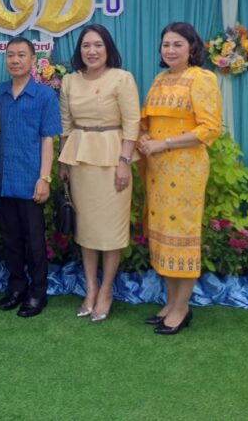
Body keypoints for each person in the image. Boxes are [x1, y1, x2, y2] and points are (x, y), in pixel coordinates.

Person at [138, 21, 222, 335]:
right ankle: (171, 303)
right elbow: (147, 121)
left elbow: (209, 129)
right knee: (164, 236)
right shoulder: (159, 79)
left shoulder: (202, 78)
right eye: (166, 44)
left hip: (186, 171)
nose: (170, 50)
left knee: (182, 237)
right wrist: (144, 137)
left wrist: (165, 144)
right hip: (158, 171)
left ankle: (182, 308)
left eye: (177, 44)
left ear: (191, 48)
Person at [58, 24, 139, 322]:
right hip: (80, 158)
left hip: (113, 159)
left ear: (108, 49)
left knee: (111, 230)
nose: (91, 51)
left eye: (98, 45)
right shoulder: (70, 81)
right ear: (79, 50)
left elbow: (132, 123)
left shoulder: (122, 78)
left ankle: (107, 290)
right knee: (87, 229)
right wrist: (63, 162)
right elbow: (65, 125)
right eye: (86, 45)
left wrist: (124, 161)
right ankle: (90, 288)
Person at [0, 37, 61, 318]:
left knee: (34, 241)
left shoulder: (45, 96)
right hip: (2, 180)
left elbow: (47, 139)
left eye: (22, 55)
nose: (15, 60)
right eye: (10, 55)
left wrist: (44, 178)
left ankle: (37, 291)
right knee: (10, 239)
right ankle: (16, 287)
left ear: (33, 60)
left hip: (30, 181)